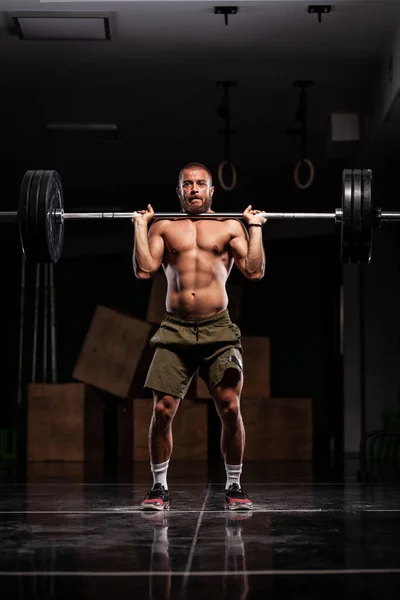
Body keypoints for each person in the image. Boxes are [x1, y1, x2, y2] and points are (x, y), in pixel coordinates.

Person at [132, 162, 266, 511]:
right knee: (162, 410)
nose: (193, 189)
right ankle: (158, 488)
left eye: (200, 183)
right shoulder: (163, 226)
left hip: (218, 330)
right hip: (175, 329)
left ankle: (234, 486)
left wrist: (255, 228)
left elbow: (254, 270)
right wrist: (139, 227)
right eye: (187, 184)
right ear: (178, 192)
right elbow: (145, 270)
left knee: (230, 406)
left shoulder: (229, 226)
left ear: (211, 191)